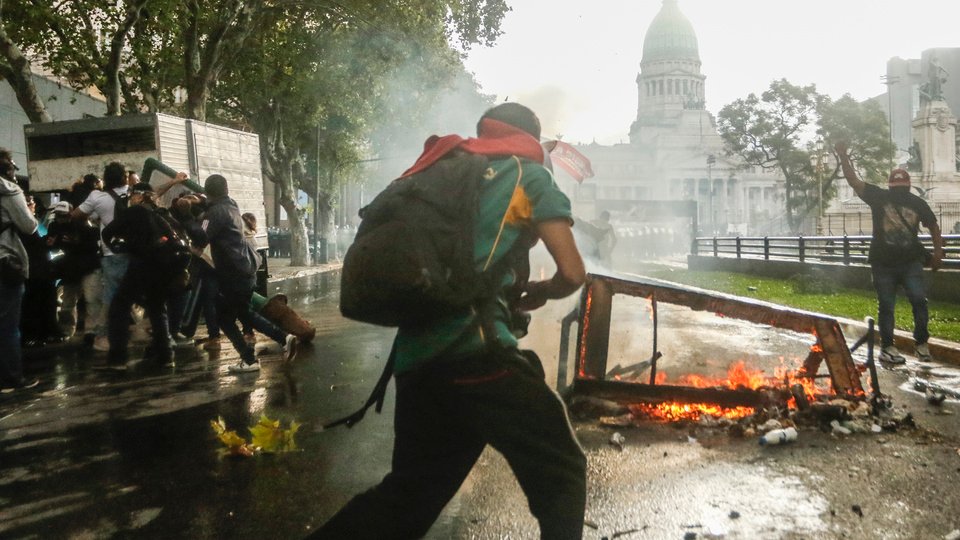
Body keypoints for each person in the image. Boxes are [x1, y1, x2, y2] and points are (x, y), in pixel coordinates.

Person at [314, 103, 588, 539]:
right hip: (477, 354)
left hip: (416, 358)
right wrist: (540, 292)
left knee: (409, 496)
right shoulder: (527, 175)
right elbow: (573, 273)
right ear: (531, 139)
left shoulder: (439, 174)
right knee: (564, 469)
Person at [836, 141, 944, 363]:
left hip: (900, 262)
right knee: (905, 302)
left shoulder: (887, 198)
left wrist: (843, 155)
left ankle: (907, 345)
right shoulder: (902, 200)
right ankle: (903, 346)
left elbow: (854, 181)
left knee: (901, 303)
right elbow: (933, 227)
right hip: (890, 263)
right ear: (907, 185)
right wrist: (937, 253)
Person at [195, 174, 297, 373]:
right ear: (225, 190)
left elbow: (201, 235)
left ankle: (253, 357)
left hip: (232, 273)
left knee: (227, 318)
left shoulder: (213, 213)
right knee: (243, 313)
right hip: (245, 270)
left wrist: (193, 215)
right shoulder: (232, 206)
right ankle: (281, 340)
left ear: (208, 192)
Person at [101, 182, 184, 368]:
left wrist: (119, 246)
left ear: (137, 195)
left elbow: (108, 232)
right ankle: (166, 355)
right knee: (157, 307)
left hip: (143, 263)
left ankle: (117, 358)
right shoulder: (161, 213)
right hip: (166, 266)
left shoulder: (135, 212)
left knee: (119, 306)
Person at [71, 162, 130, 352]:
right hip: (136, 251)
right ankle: (150, 332)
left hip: (111, 252)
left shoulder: (98, 197)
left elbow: (76, 215)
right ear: (125, 177)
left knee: (111, 298)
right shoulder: (133, 192)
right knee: (141, 295)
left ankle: (103, 336)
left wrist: (94, 223)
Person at [0, 150, 40, 392]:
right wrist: (31, 212)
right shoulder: (9, 190)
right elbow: (28, 227)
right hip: (5, 262)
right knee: (7, 325)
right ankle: (11, 378)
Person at [46, 201, 102, 342]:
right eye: (58, 215)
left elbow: (94, 242)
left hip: (87, 267)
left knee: (91, 300)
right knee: (68, 303)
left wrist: (77, 242)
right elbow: (54, 247)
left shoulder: (82, 225)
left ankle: (92, 332)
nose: (61, 219)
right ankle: (67, 331)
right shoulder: (55, 227)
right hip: (70, 269)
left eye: (64, 215)